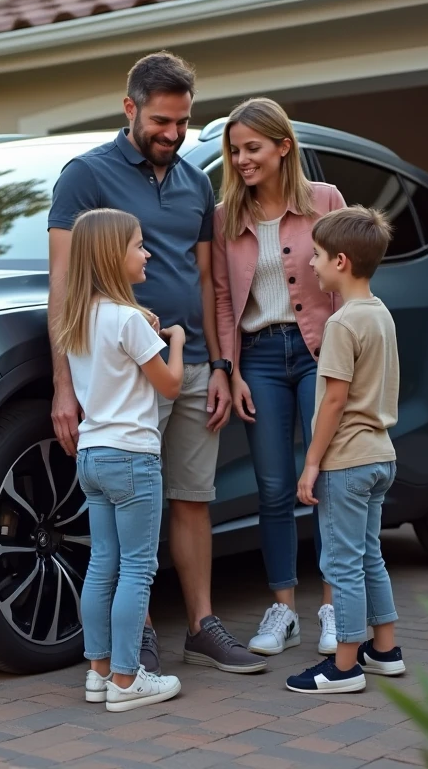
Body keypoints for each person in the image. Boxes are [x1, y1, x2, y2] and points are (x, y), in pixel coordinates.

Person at [49, 51, 265, 675]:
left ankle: (201, 625)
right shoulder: (84, 176)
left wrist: (222, 364)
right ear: (130, 109)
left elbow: (207, 281)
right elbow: (62, 283)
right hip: (129, 368)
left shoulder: (197, 182)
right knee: (129, 518)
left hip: (192, 362)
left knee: (192, 497)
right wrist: (65, 387)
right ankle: (136, 639)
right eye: (162, 121)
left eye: (183, 123)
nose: (173, 134)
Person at [212, 97, 346, 658]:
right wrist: (231, 367)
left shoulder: (325, 201)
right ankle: (284, 610)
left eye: (253, 148)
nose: (242, 159)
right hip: (261, 359)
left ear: (282, 146)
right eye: (235, 150)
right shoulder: (225, 218)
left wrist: (347, 363)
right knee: (271, 488)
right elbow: (222, 299)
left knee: (330, 483)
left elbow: (349, 283)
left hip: (319, 354)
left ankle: (337, 608)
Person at [57, 207, 184, 711]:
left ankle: (99, 671)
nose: (146, 252)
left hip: (92, 456)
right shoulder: (129, 319)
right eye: (138, 245)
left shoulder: (79, 317)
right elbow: (170, 384)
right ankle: (129, 682)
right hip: (132, 458)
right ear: (114, 255)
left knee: (102, 565)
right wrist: (173, 339)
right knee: (137, 569)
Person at [286, 205, 406, 694]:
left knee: (341, 563)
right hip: (380, 455)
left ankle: (344, 666)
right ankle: (386, 649)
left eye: (315, 256)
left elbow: (334, 400)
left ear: (340, 261)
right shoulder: (380, 314)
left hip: (347, 462)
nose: (309, 265)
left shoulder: (341, 324)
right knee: (370, 556)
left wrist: (311, 464)